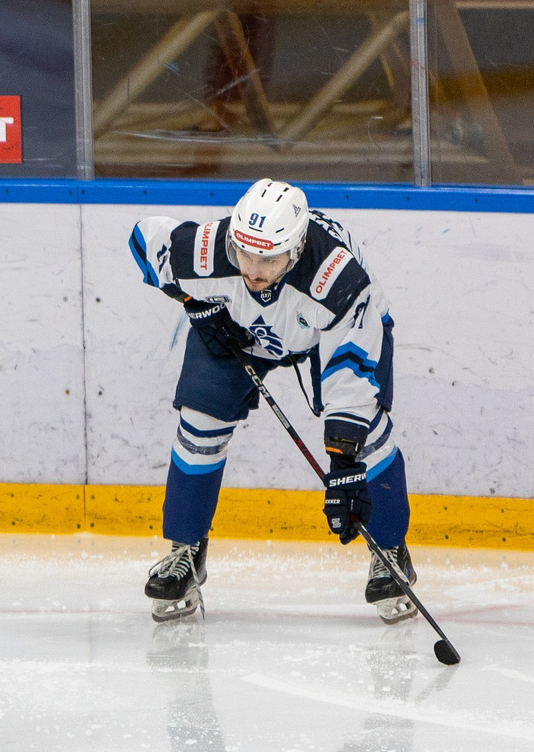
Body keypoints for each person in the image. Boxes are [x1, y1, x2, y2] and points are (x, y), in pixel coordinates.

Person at [128, 177, 414, 621]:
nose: (254, 269)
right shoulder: (214, 248)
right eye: (245, 253)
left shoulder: (339, 280)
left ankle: (391, 549)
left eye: (269, 258)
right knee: (200, 424)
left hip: (330, 336)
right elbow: (145, 239)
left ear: (297, 249)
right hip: (242, 331)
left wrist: (343, 463)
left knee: (369, 434)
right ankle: (185, 548)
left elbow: (351, 373)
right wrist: (195, 303)